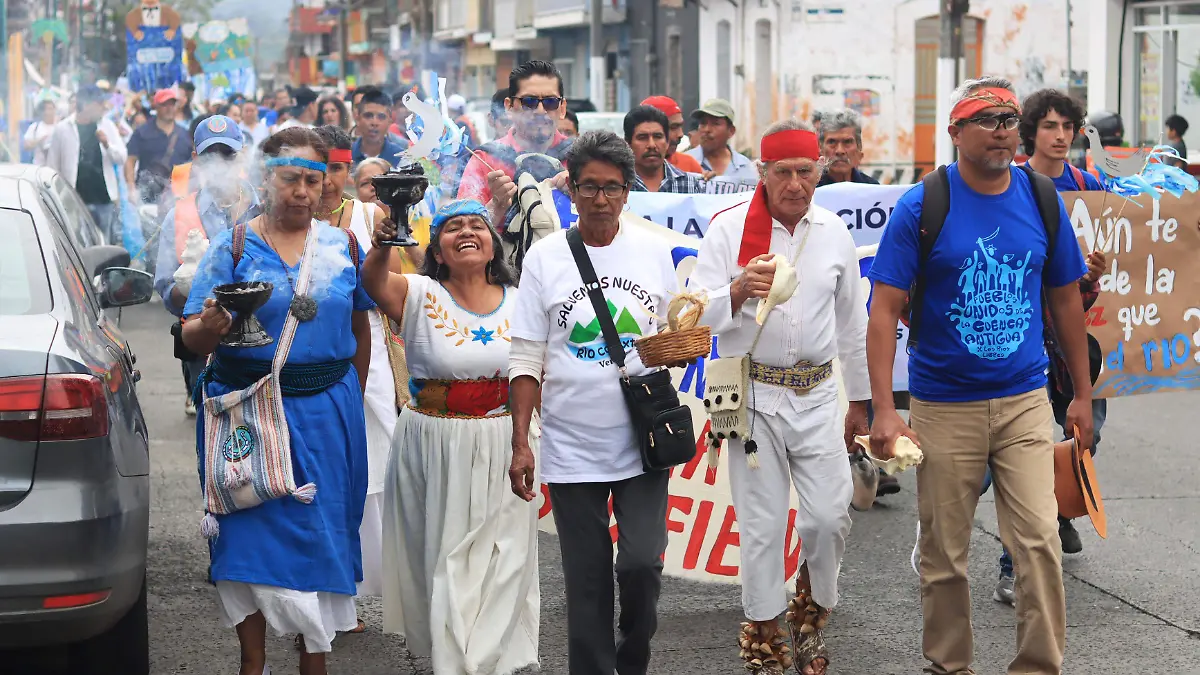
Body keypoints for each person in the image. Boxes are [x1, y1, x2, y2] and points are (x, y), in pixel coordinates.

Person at [866, 76, 1093, 675]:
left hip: (1023, 400)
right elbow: (885, 307)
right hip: (944, 406)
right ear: (956, 131)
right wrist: (886, 408)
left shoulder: (1041, 197)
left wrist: (1082, 396)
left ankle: (1039, 666)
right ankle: (949, 665)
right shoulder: (923, 203)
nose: (1001, 131)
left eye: (1009, 120)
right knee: (944, 554)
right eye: (986, 120)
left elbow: (1066, 299)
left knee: (1039, 542)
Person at [182, 126, 374, 675]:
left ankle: (315, 659)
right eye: (291, 179)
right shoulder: (234, 246)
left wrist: (350, 400)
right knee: (247, 536)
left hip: (327, 414)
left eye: (314, 180)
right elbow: (192, 336)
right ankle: (253, 661)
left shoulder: (342, 244)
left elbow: (360, 329)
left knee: (322, 534)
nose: (304, 192)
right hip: (247, 411)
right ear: (267, 179)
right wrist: (212, 325)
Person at [689, 119, 868, 675]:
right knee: (763, 526)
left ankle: (810, 613)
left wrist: (861, 404)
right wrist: (738, 288)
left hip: (817, 395)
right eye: (783, 172)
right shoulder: (727, 229)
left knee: (828, 518)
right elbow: (693, 311)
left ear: (818, 170)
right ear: (762, 173)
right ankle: (765, 642)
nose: (795, 184)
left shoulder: (833, 231)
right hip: (750, 397)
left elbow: (852, 326)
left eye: (805, 171)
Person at [507, 131, 679, 675]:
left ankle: (632, 661)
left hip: (642, 439)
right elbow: (528, 357)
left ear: (627, 191)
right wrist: (520, 443)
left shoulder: (653, 251)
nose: (600, 199)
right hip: (570, 445)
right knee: (584, 581)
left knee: (642, 565)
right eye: (588, 187)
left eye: (611, 188)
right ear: (572, 189)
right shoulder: (545, 256)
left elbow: (679, 327)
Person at [369, 198, 538, 675]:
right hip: (436, 443)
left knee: (506, 559)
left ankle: (487, 660)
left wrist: (527, 441)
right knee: (450, 560)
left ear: (493, 244)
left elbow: (532, 373)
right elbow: (373, 284)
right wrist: (384, 242)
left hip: (507, 438)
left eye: (477, 226)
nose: (466, 232)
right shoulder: (418, 292)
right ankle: (456, 663)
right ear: (437, 250)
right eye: (452, 228)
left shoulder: (522, 297)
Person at [974, 87, 1109, 604]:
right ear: (1032, 132)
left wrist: (1092, 275)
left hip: (1079, 341)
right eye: (1049, 126)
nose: (1060, 135)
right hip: (1024, 342)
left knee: (1080, 439)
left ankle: (1048, 524)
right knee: (994, 468)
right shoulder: (1014, 186)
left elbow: (1104, 273)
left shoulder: (1089, 188)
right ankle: (977, 543)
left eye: (1067, 126)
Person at [312, 125, 400, 632]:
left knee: (380, 472)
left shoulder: (370, 216)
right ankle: (333, 599)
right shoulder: (282, 222)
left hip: (372, 359)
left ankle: (385, 591)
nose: (327, 181)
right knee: (325, 476)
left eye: (338, 168)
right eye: (319, 168)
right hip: (316, 359)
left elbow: (405, 285)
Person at [156, 114, 260, 416]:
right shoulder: (178, 215)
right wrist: (188, 286)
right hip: (203, 347)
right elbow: (166, 289)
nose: (219, 163)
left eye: (226, 154)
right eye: (209, 155)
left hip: (263, 344)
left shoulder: (265, 208)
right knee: (213, 437)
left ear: (240, 155)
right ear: (196, 160)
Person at [457, 60, 574, 215]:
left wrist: (581, 191)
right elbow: (465, 227)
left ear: (562, 108)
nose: (540, 111)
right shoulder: (486, 160)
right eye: (529, 102)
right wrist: (495, 206)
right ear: (509, 107)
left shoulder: (580, 159)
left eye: (550, 102)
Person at [46, 85, 128, 245]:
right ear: (86, 104)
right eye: (100, 104)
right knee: (78, 244)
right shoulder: (63, 129)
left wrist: (107, 144)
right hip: (74, 200)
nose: (104, 108)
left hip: (103, 199)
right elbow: (52, 166)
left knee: (104, 244)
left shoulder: (107, 126)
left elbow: (122, 158)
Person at [125, 88, 194, 215]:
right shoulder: (142, 132)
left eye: (172, 104)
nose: (169, 108)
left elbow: (193, 164)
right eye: (164, 104)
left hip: (177, 199)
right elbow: (130, 161)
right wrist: (131, 189)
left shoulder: (185, 135)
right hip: (148, 197)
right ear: (155, 106)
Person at [624, 105, 706, 193]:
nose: (652, 145)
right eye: (642, 137)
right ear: (628, 143)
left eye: (658, 136)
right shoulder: (617, 184)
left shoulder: (690, 185)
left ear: (667, 142)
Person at [686, 98, 758, 185]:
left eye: (715, 123)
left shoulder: (746, 168)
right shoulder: (684, 163)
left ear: (731, 131)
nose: (707, 129)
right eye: (703, 123)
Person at [641, 95, 705, 174]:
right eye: (673, 127)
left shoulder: (689, 164)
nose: (681, 134)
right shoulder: (625, 168)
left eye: (680, 126)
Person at [816, 109, 879, 186]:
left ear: (859, 147)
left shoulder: (872, 188)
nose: (840, 151)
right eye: (832, 142)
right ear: (821, 149)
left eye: (847, 142)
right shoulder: (811, 190)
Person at [351, 87, 409, 167]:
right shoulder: (348, 155)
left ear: (390, 121)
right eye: (368, 116)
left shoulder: (401, 158)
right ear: (358, 119)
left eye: (381, 117)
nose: (374, 123)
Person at [24, 99, 58, 166]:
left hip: (57, 168)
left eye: (51, 109)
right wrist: (39, 140)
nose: (48, 112)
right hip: (39, 167)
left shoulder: (60, 127)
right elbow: (26, 146)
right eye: (45, 109)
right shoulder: (35, 127)